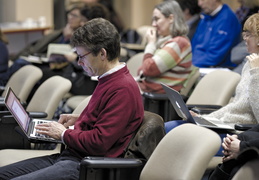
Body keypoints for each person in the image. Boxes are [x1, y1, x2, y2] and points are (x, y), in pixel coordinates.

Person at [0, 18, 144, 180]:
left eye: (82, 56)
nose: (79, 62)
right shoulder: (109, 79)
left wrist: (63, 134)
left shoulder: (122, 88)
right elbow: (105, 120)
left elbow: (99, 143)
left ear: (102, 53)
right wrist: (80, 119)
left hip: (86, 166)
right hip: (73, 156)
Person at [165, 13, 259, 133]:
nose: (244, 38)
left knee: (173, 130)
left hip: (238, 134)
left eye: (249, 34)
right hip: (225, 125)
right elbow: (235, 107)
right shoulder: (250, 62)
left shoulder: (255, 69)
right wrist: (205, 118)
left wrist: (256, 74)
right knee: (169, 126)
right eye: (244, 34)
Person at [137, 0, 193, 94]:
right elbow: (141, 69)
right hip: (148, 93)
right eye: (153, 20)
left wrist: (151, 44)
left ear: (171, 18)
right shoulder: (166, 41)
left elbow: (148, 69)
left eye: (157, 19)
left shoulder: (179, 43)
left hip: (158, 99)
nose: (153, 24)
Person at [191, 0, 241, 68]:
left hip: (217, 67)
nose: (199, 3)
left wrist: (192, 66)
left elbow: (215, 56)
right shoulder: (206, 16)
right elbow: (194, 45)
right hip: (198, 64)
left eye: (203, 0)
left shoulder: (227, 19)